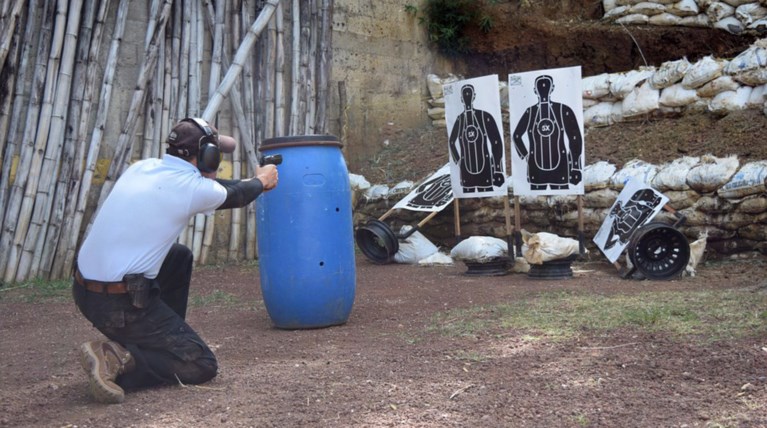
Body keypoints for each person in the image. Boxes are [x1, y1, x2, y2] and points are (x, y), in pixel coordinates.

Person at [72, 117, 279, 404]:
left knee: (178, 257)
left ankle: (159, 342)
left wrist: (254, 182)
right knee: (201, 365)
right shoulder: (194, 189)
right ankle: (121, 358)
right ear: (207, 156)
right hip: (116, 306)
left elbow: (222, 187)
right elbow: (237, 194)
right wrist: (262, 180)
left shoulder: (143, 167)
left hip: (85, 291)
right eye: (216, 154)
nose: (217, 161)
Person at [512, 74, 583, 191]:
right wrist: (525, 155)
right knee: (537, 202)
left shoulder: (562, 110)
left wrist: (575, 166)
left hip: (559, 166)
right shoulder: (531, 112)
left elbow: (575, 138)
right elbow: (517, 136)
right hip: (537, 167)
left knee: (561, 201)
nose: (543, 90)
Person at [448, 83, 505, 193]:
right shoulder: (460, 120)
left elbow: (496, 142)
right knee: (469, 198)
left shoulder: (484, 117)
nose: (467, 97)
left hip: (485, 167)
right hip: (466, 171)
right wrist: (459, 162)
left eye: (469, 94)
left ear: (474, 96)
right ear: (461, 99)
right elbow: (451, 142)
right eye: (465, 95)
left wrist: (497, 168)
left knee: (487, 194)